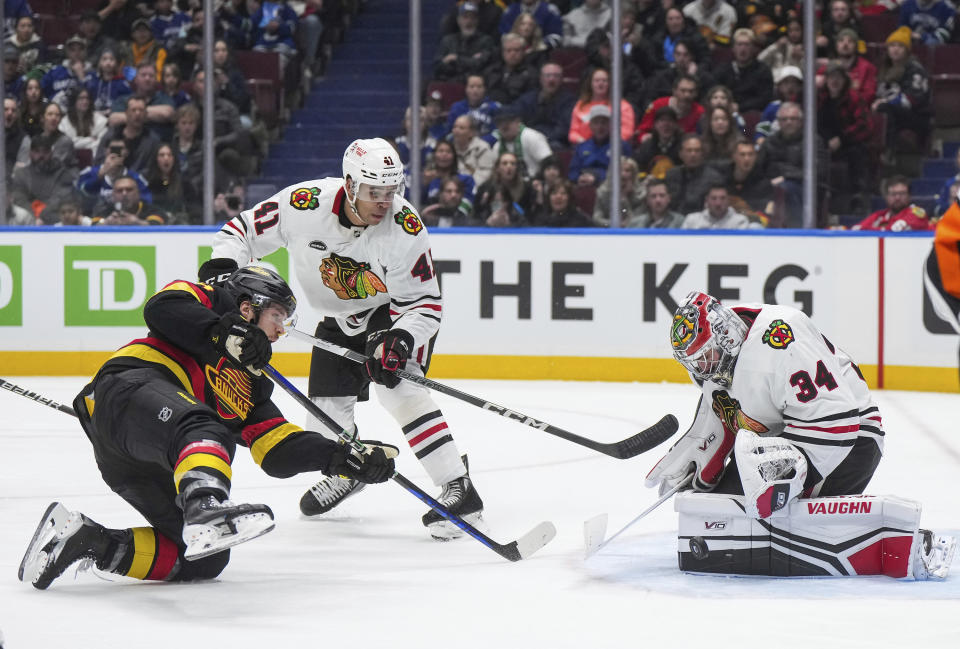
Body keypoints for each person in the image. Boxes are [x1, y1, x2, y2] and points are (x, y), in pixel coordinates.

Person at [18, 267, 396, 590]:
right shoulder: (207, 301)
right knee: (205, 427)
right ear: (249, 306)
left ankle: (85, 540)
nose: (282, 331)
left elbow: (276, 449)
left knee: (204, 560)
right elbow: (161, 309)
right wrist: (223, 331)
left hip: (135, 462)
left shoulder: (253, 381)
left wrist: (341, 457)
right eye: (278, 317)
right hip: (129, 390)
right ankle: (205, 505)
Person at [202, 138, 484, 541]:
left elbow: (424, 303)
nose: (384, 201)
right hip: (337, 316)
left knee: (399, 390)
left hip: (392, 314)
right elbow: (241, 230)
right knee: (324, 413)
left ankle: (460, 486)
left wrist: (399, 338)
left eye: (391, 191)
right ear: (350, 185)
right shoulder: (305, 203)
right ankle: (350, 471)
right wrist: (223, 268)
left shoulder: (405, 227)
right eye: (374, 192)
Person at [647, 291, 954, 580]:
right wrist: (702, 459)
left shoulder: (781, 339)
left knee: (769, 518)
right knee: (718, 512)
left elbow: (839, 420)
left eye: (705, 356)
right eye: (694, 362)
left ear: (724, 334)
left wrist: (792, 474)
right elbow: (728, 412)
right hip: (782, 441)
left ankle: (905, 541)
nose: (701, 368)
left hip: (851, 440)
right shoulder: (718, 359)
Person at [512, 61, 576, 150]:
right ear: (541, 79)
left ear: (561, 79)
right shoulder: (528, 99)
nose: (551, 79)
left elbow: (564, 129)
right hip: (529, 139)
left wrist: (541, 139)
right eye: (548, 75)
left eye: (556, 76)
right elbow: (516, 119)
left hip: (554, 142)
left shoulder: (569, 101)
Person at [568, 67, 636, 146]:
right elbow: (573, 133)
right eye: (597, 81)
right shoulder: (581, 105)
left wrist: (607, 145)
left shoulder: (622, 106)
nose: (600, 83)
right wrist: (585, 144)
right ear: (590, 84)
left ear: (610, 84)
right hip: (585, 148)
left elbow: (627, 132)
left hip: (613, 148)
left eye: (604, 81)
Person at [568, 104, 632, 186]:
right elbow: (573, 171)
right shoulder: (581, 147)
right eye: (596, 123)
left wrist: (597, 177)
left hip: (610, 188)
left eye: (603, 123)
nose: (600, 127)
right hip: (583, 186)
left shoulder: (621, 146)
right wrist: (579, 177)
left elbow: (625, 172)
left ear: (610, 125)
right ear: (590, 126)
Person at [712, 28, 774, 113]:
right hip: (726, 112)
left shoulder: (763, 70)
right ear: (733, 48)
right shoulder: (723, 70)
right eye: (739, 44)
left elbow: (764, 98)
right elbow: (715, 91)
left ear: (753, 48)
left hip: (753, 113)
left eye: (747, 45)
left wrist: (740, 107)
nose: (743, 49)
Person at [434, 2, 496, 82]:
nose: (469, 21)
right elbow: (437, 67)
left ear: (477, 21)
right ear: (458, 20)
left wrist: (455, 59)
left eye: (472, 17)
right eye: (465, 17)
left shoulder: (486, 41)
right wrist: (470, 61)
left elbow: (480, 65)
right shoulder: (448, 41)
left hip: (475, 86)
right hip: (450, 83)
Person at [664, 133, 724, 215]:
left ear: (702, 154)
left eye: (697, 151)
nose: (693, 154)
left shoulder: (714, 179)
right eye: (689, 150)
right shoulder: (671, 175)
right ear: (681, 154)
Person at [487, 105, 553, 179]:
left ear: (518, 121)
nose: (504, 125)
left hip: (535, 182)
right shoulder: (497, 147)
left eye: (508, 121)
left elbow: (549, 163)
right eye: (500, 122)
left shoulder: (532, 137)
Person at [636, 74, 703, 144]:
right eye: (683, 91)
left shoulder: (700, 112)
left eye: (691, 91)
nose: (687, 95)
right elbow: (641, 131)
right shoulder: (658, 105)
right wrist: (644, 138)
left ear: (696, 93)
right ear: (674, 91)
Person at [473, 150, 535, 226]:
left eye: (513, 164)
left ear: (517, 168)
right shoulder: (486, 188)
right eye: (504, 163)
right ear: (497, 168)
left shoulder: (527, 188)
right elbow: (476, 216)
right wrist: (487, 224)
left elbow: (531, 218)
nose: (509, 167)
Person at [853, 175, 934, 231]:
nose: (897, 197)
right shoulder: (879, 216)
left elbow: (894, 230)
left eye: (902, 193)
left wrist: (874, 229)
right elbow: (857, 229)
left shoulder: (917, 213)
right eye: (893, 194)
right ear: (886, 197)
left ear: (909, 196)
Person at [91, 174, 167, 226]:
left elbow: (157, 226)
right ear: (113, 195)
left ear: (138, 193)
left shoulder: (153, 210)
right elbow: (93, 227)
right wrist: (106, 223)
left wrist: (137, 222)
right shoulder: (104, 210)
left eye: (129, 190)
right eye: (119, 190)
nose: (124, 194)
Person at [593, 156, 646, 226]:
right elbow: (596, 219)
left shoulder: (641, 194)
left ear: (633, 174)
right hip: (607, 231)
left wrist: (624, 199)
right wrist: (613, 224)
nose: (623, 174)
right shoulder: (603, 192)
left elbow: (636, 221)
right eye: (619, 170)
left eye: (627, 171)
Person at [445, 73, 501, 138]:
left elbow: (497, 132)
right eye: (471, 86)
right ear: (466, 89)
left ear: (484, 89)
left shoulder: (494, 107)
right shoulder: (457, 108)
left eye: (479, 87)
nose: (475, 90)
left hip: (486, 145)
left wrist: (483, 142)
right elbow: (449, 133)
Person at [681, 183, 756, 229]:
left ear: (728, 200)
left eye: (722, 198)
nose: (718, 203)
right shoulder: (692, 221)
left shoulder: (740, 222)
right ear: (707, 200)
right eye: (714, 198)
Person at [450, 114, 495, 187]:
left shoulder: (482, 148)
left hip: (475, 189)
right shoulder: (449, 148)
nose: (456, 130)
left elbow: (486, 174)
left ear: (471, 132)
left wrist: (467, 186)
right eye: (454, 127)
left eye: (461, 128)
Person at [59, 88, 109, 152]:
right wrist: (91, 139)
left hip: (94, 157)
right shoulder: (65, 122)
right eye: (81, 98)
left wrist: (77, 141)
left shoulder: (100, 119)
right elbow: (65, 144)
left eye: (87, 98)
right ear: (74, 100)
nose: (85, 101)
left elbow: (101, 143)